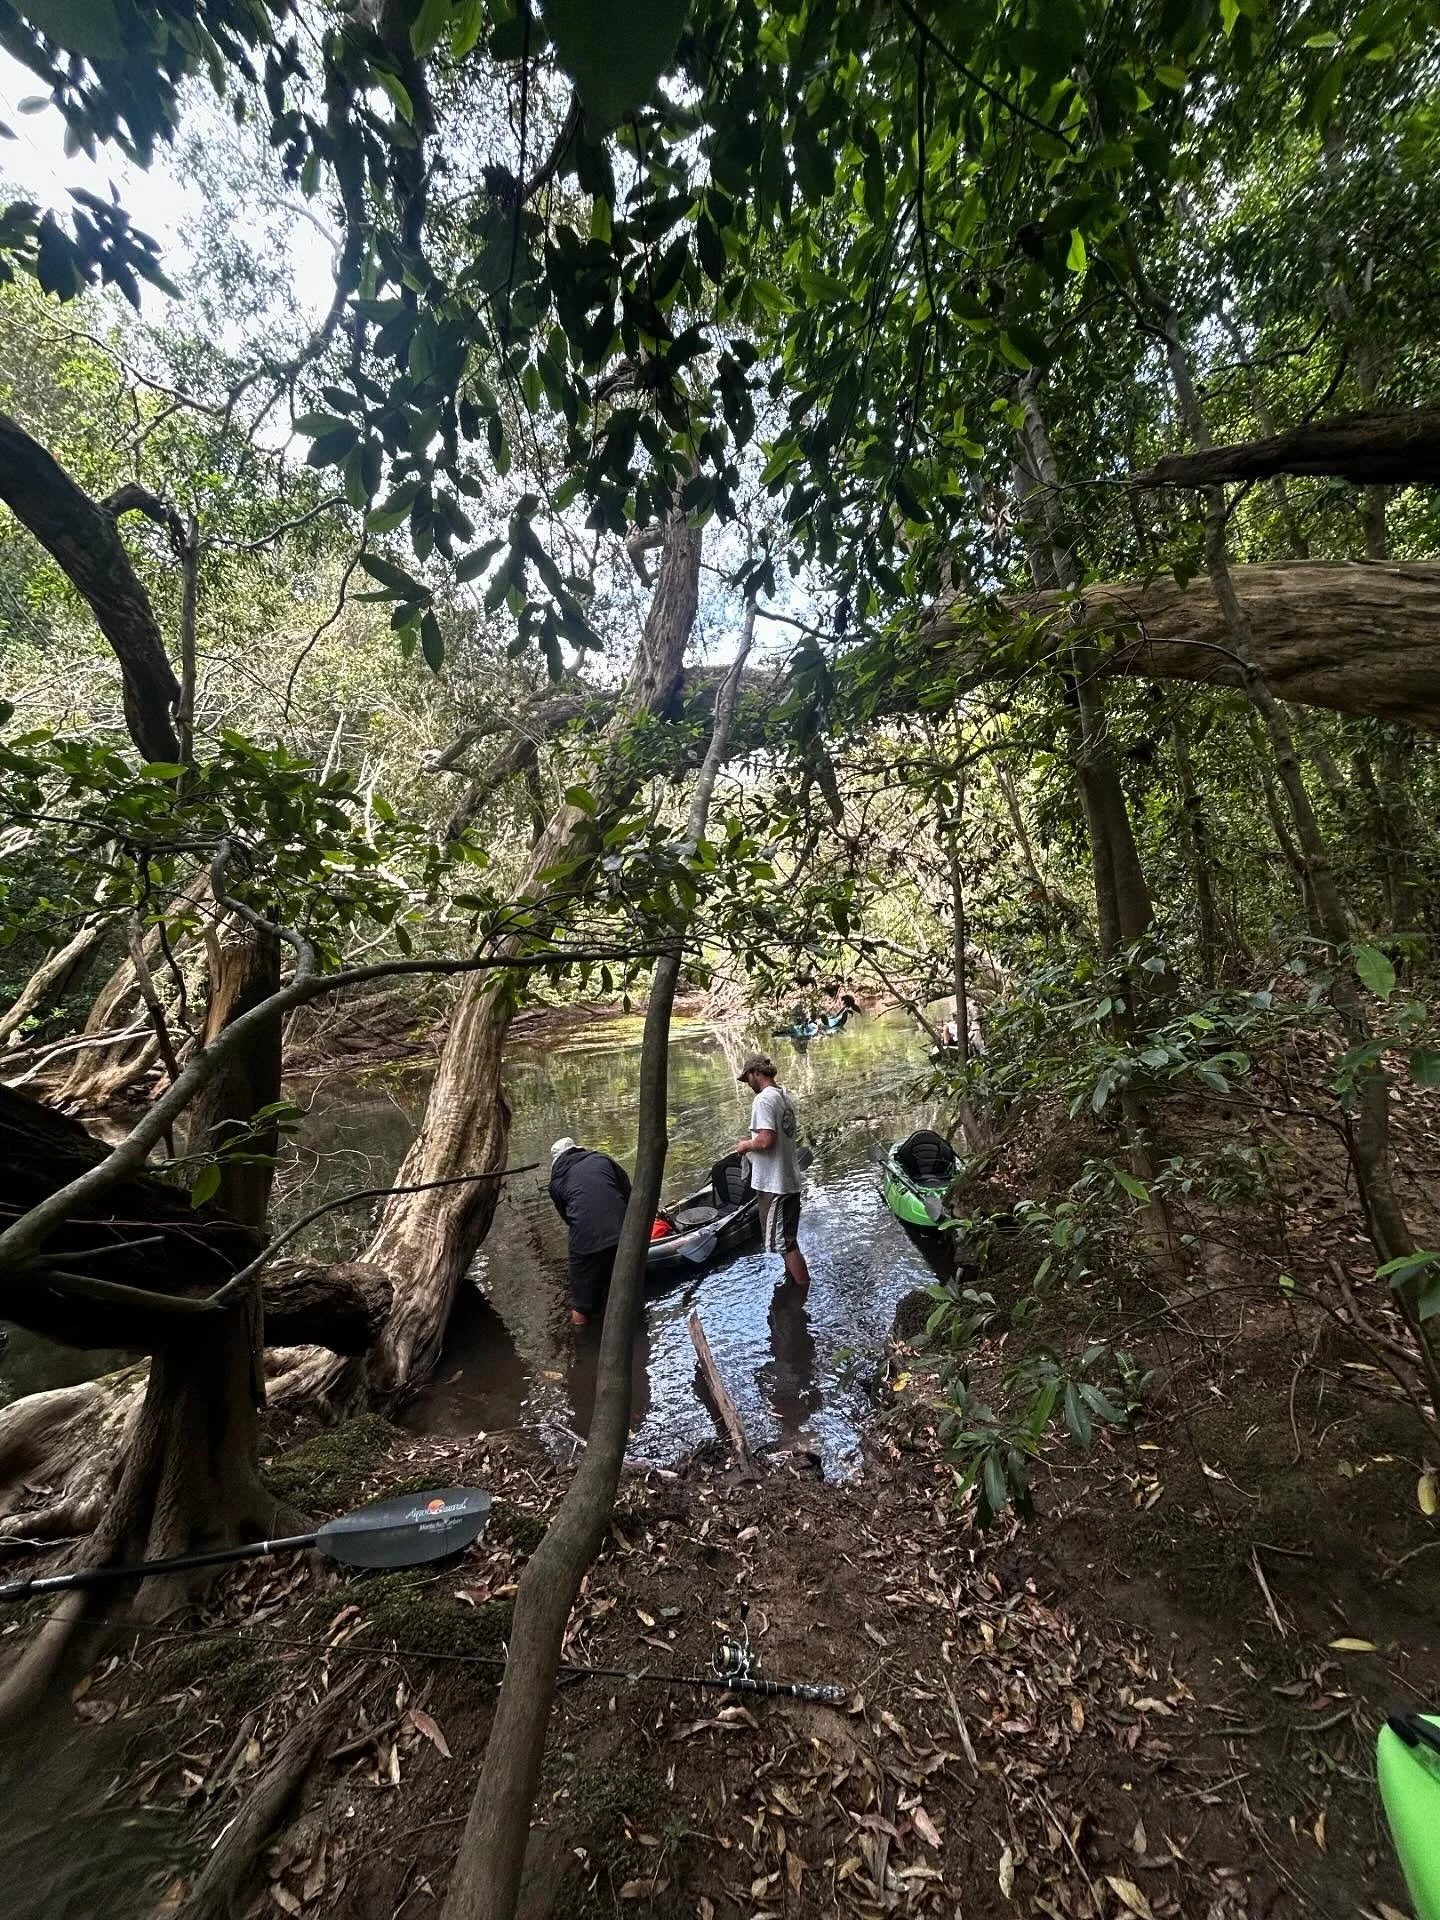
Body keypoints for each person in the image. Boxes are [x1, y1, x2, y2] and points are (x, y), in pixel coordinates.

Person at [735, 1054, 810, 1288]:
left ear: (756, 1073)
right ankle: (794, 1284)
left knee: (785, 1244)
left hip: (775, 1185)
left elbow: (766, 1140)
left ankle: (803, 1291)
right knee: (786, 1240)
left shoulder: (763, 1100)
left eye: (747, 1078)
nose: (747, 1084)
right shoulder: (783, 1097)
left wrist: (745, 1145)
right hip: (788, 1180)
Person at [547, 1136, 632, 1327]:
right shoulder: (602, 1159)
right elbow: (628, 1191)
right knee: (626, 1284)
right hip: (622, 1233)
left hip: (585, 1242)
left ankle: (583, 1339)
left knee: (580, 1305)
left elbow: (568, 1218)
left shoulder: (556, 1183)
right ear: (577, 1150)